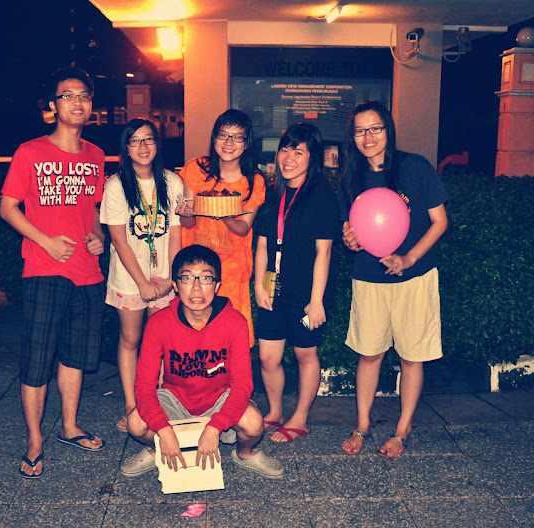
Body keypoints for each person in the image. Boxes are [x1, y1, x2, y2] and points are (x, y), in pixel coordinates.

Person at [0, 67, 106, 479]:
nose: (77, 102)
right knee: (37, 358)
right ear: (53, 105)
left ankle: (69, 426)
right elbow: (8, 207)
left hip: (87, 272)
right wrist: (44, 241)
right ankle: (34, 441)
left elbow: (93, 208)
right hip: (44, 268)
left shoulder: (96, 156)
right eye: (68, 95)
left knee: (76, 356)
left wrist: (98, 237)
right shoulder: (30, 152)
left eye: (84, 96)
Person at [338, 101, 448, 458]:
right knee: (369, 353)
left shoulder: (414, 167)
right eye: (360, 131)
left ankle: (402, 430)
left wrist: (409, 258)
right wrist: (350, 241)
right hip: (369, 278)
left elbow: (440, 222)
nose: (368, 137)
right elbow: (351, 230)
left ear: (388, 129)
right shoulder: (351, 177)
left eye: (375, 128)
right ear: (352, 137)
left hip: (415, 277)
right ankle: (362, 425)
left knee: (411, 357)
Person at [120, 245, 284, 479]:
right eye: (187, 278)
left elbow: (243, 385)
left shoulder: (235, 322)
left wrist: (215, 427)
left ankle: (245, 454)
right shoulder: (159, 323)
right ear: (175, 285)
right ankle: (159, 448)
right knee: (136, 423)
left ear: (217, 286)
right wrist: (163, 429)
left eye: (206, 278)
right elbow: (144, 385)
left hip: (219, 397)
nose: (196, 287)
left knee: (254, 423)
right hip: (176, 398)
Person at [254, 123, 341, 443]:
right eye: (285, 150)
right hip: (274, 290)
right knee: (268, 357)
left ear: (312, 157)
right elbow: (263, 243)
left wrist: (316, 301)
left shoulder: (321, 196)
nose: (288, 158)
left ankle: (300, 418)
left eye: (298, 152)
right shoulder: (273, 192)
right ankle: (275, 411)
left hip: (307, 294)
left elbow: (324, 252)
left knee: (305, 354)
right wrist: (259, 285)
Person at [100, 118, 182, 433]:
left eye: (148, 139)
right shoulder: (116, 185)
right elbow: (118, 240)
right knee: (131, 339)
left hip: (163, 279)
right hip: (129, 278)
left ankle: (157, 402)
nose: (142, 146)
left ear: (157, 144)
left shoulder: (171, 182)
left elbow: (175, 236)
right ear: (126, 148)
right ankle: (131, 404)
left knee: (160, 343)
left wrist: (170, 278)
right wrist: (142, 284)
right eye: (134, 141)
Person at [176, 109, 265, 346]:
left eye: (237, 137)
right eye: (223, 135)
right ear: (214, 137)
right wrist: (186, 213)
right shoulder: (195, 169)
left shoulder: (253, 181)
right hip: (195, 267)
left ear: (247, 143)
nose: (229, 143)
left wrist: (224, 215)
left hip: (232, 270)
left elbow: (244, 228)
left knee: (229, 337)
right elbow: (188, 223)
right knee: (194, 336)